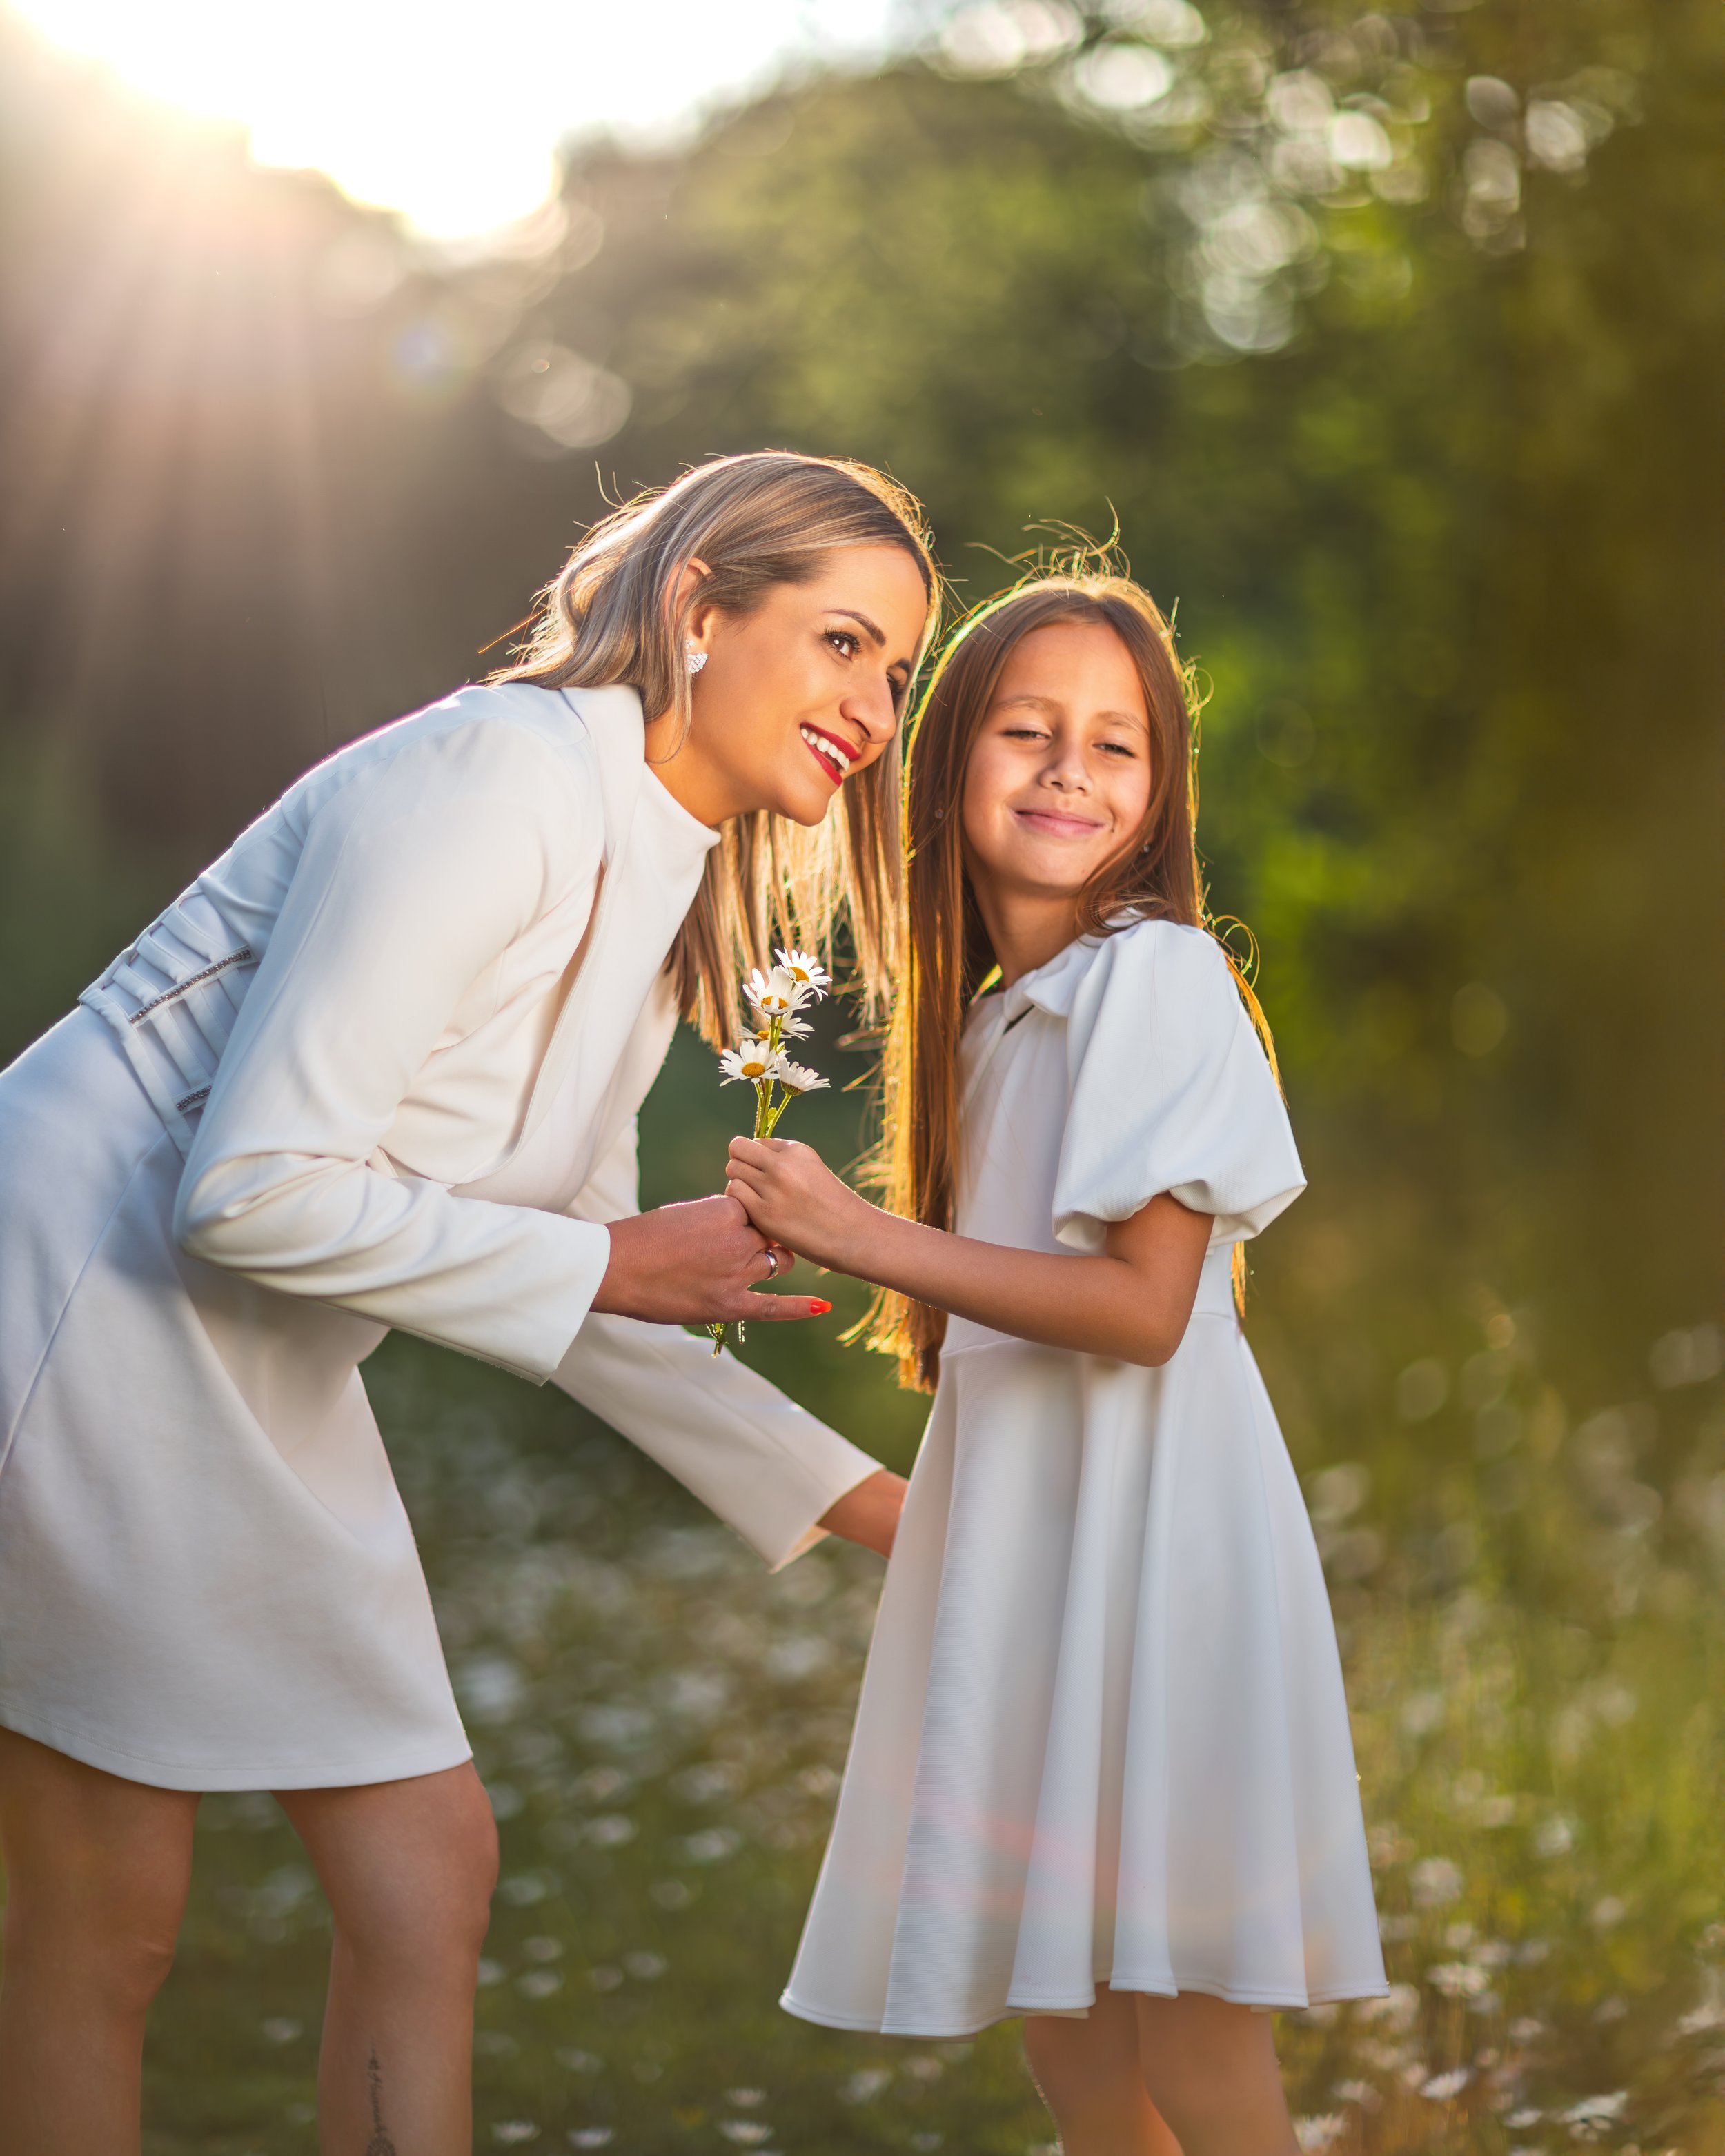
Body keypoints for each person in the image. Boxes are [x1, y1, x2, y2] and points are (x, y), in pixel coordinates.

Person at [0, 451, 933, 2155]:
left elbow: (580, 1280)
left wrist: (902, 1515)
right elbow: (247, 1186)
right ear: (699, 611)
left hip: (248, 1346)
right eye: (843, 643)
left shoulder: (660, 884)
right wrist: (605, 1262)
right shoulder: (491, 781)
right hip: (73, 1301)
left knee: (423, 1873)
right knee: (108, 1911)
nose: (874, 706)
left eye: (898, 670)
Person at [726, 569, 1386, 2155]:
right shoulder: (997, 1021)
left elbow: (1142, 1308)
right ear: (948, 760)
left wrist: (857, 1231)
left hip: (1156, 1560)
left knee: (1190, 2043)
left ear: (1158, 796)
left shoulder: (1150, 975)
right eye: (1026, 731)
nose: (1066, 771)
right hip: (1049, 1564)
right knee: (1074, 2042)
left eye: (1116, 746)